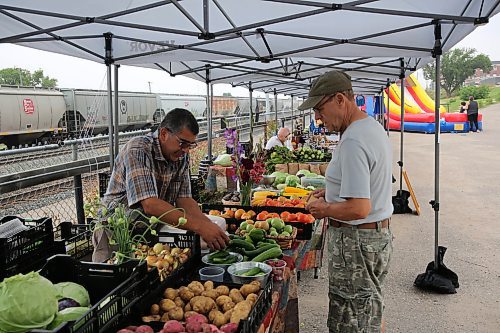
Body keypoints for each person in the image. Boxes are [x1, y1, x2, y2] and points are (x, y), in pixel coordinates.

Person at [300, 71, 393, 333]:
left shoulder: (353, 140)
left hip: (356, 243)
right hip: (373, 237)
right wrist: (330, 194)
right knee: (369, 310)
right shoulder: (370, 127)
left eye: (319, 109)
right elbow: (367, 191)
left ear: (340, 99)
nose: (317, 118)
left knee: (352, 320)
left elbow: (358, 207)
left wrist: (325, 209)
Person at [92, 108, 229, 262]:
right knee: (116, 279)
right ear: (164, 134)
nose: (185, 150)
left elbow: (184, 200)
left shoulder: (180, 157)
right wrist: (200, 227)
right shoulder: (138, 149)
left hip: (148, 228)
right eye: (182, 143)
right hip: (116, 231)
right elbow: (150, 204)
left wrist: (208, 226)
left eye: (190, 145)